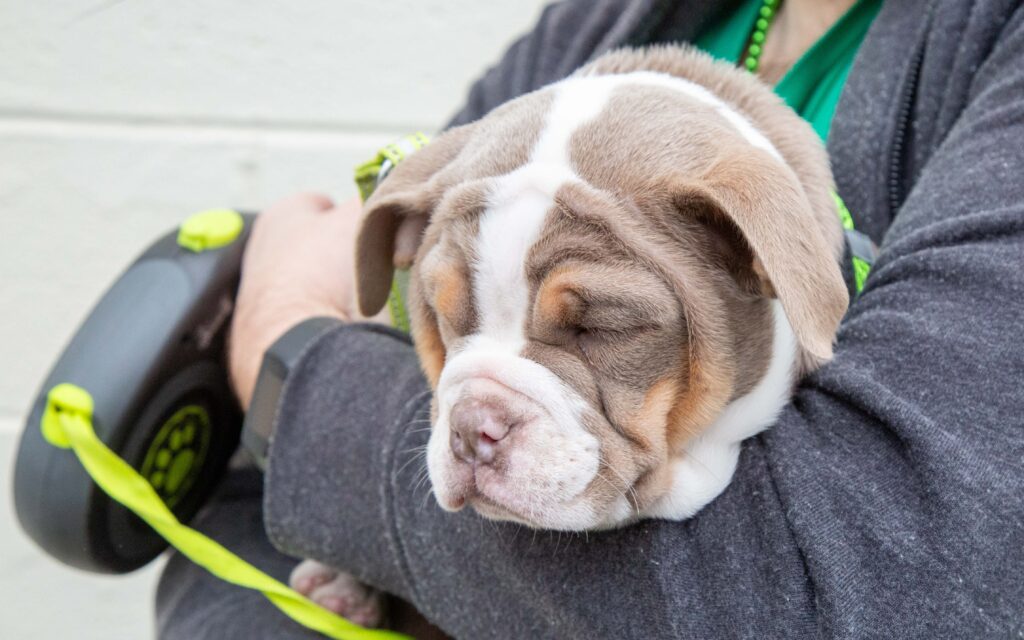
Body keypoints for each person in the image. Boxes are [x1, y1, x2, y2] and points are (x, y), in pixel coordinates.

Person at [156, 0, 1024, 637]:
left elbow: (858, 594)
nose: (478, 421)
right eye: (457, 323)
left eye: (595, 328)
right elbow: (247, 514)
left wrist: (286, 348)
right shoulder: (593, 27)